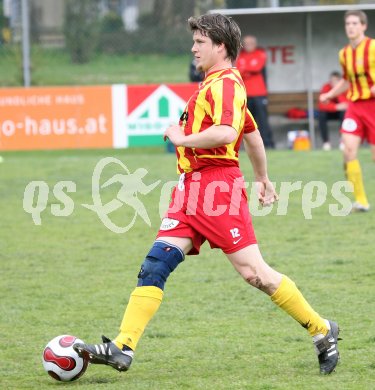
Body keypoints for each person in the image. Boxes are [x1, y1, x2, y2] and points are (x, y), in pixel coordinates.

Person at [74, 13, 340, 376]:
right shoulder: (213, 84)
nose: (193, 47)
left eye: (200, 42)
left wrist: (183, 138)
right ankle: (123, 346)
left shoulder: (227, 84)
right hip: (190, 189)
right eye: (194, 40)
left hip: (217, 188)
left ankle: (322, 330)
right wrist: (262, 177)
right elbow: (252, 134)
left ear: (221, 46)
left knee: (255, 273)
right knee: (155, 265)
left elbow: (228, 133)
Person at [320, 10, 374, 212]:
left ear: (363, 26)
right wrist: (330, 94)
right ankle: (361, 201)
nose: (350, 27)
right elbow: (347, 80)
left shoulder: (373, 47)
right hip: (355, 107)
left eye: (355, 23)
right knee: (348, 150)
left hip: (374, 106)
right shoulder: (344, 53)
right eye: (348, 23)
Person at [236, 35, 275, 148]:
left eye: (251, 43)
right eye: (246, 43)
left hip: (259, 93)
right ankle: (249, 146)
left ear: (255, 44)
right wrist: (248, 70)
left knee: (263, 120)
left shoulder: (260, 53)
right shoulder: (241, 55)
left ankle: (267, 143)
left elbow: (257, 67)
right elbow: (238, 71)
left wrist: (245, 70)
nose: (248, 46)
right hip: (245, 94)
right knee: (247, 122)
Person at [318, 71, 348, 151]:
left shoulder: (345, 87)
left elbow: (345, 105)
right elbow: (322, 105)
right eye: (331, 81)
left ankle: (342, 141)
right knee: (321, 115)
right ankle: (326, 143)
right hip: (330, 112)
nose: (333, 83)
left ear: (340, 81)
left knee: (344, 114)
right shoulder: (326, 87)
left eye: (335, 81)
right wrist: (336, 107)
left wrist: (337, 91)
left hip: (340, 113)